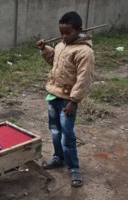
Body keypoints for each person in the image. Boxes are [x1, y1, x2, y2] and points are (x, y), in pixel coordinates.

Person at [36, 11, 94, 187]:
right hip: (53, 95)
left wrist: (74, 101)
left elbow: (84, 79)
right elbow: (55, 61)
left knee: (67, 135)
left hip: (67, 101)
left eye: (68, 32)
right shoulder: (61, 45)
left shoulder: (85, 52)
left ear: (79, 30)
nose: (64, 36)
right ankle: (58, 158)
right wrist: (44, 49)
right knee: (54, 130)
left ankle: (74, 167)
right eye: (61, 32)